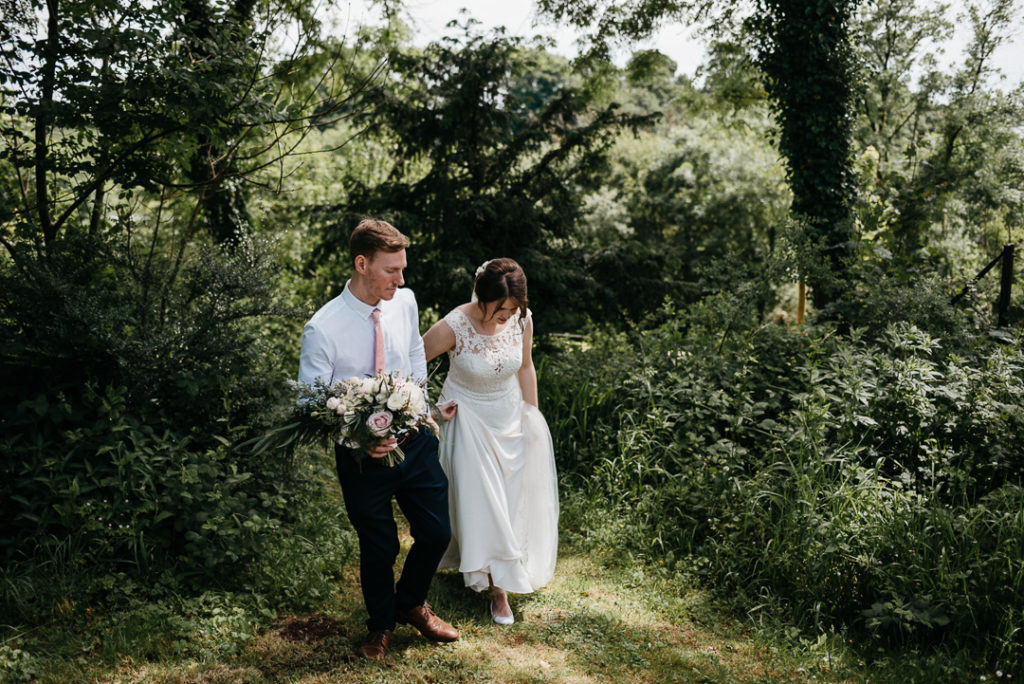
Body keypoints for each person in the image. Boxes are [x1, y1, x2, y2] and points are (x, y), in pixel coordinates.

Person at [297, 218, 459, 660]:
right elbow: (309, 406)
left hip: (415, 440)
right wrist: (360, 440)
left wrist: (420, 409)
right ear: (362, 263)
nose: (401, 280)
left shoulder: (404, 301)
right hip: (362, 458)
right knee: (380, 544)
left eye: (403, 269)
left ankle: (411, 602)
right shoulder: (323, 328)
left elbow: (411, 354)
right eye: (392, 270)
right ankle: (380, 626)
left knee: (436, 531)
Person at [422, 257, 559, 625]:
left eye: (512, 309)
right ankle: (499, 591)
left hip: (510, 416)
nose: (506, 316)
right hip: (467, 420)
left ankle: (485, 565)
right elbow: (411, 361)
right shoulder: (456, 324)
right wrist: (427, 410)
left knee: (510, 500)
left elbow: (526, 366)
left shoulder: (522, 319)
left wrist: (532, 414)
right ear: (481, 297)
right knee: (486, 500)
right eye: (500, 309)